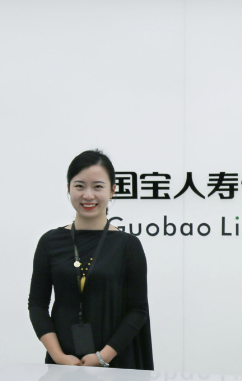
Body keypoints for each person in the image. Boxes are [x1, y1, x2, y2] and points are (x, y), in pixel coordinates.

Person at [28, 149, 153, 369]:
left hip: (116, 363)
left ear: (112, 190)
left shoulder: (128, 245)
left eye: (97, 186)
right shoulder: (50, 242)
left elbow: (138, 310)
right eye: (79, 186)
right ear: (68, 188)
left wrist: (103, 357)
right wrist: (59, 356)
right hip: (64, 364)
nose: (88, 195)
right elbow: (37, 305)